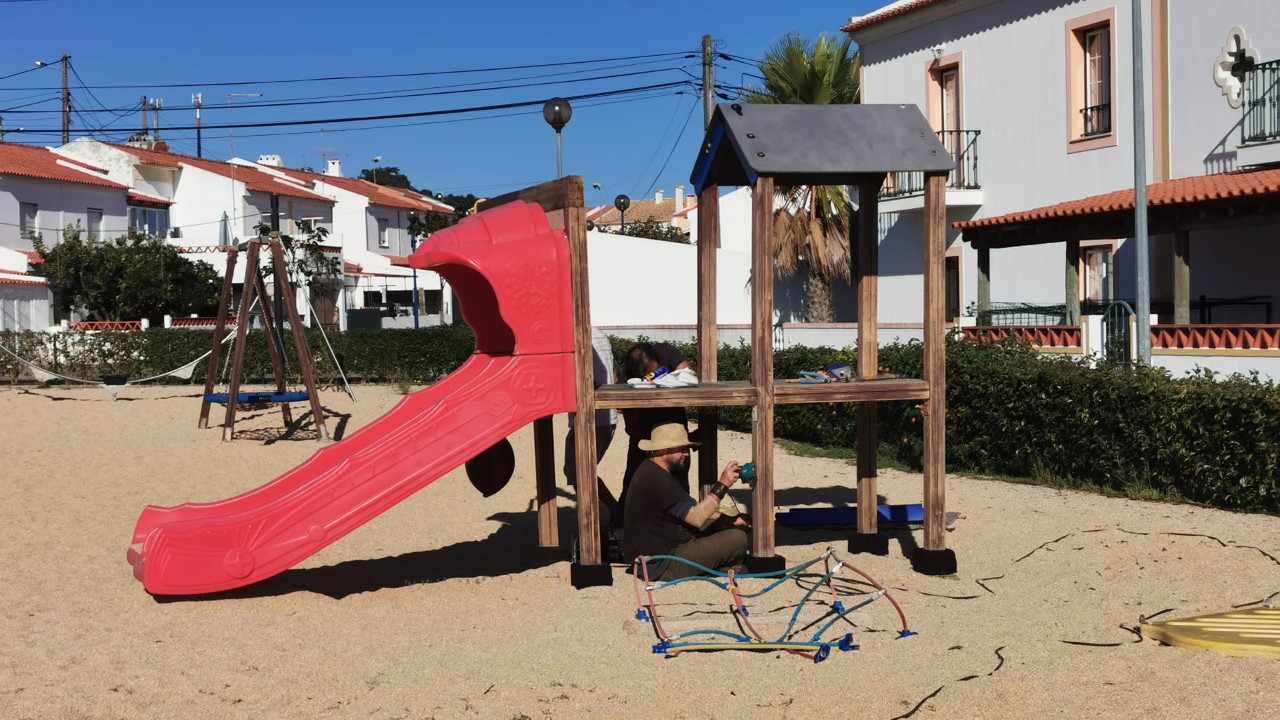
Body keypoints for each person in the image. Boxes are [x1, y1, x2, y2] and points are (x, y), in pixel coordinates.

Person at [623, 423, 749, 581]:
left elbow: (685, 511)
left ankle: (714, 563)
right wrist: (723, 484)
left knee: (725, 525)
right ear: (663, 450)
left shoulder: (650, 470)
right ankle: (714, 567)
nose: (686, 454)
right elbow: (697, 518)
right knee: (738, 539)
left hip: (653, 556)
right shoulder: (660, 480)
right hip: (664, 563)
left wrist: (725, 519)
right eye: (681, 449)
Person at [618, 342, 693, 520]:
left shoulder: (667, 352)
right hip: (645, 438)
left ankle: (684, 526)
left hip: (675, 433)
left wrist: (670, 381)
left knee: (680, 486)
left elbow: (688, 375)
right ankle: (623, 524)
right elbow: (631, 425)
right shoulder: (626, 380)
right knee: (633, 485)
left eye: (655, 371)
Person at [564, 327, 621, 524]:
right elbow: (613, 376)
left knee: (579, 472)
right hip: (605, 415)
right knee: (580, 471)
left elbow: (587, 378)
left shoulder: (576, 335)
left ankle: (598, 516)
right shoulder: (598, 334)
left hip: (591, 417)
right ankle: (609, 511)